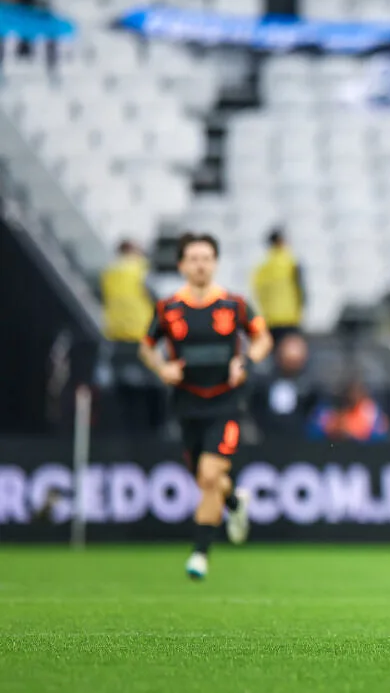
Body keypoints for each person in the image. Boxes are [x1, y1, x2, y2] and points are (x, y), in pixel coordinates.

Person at [139, 232, 273, 580]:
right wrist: (161, 367)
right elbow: (146, 346)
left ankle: (200, 554)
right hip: (187, 404)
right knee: (206, 480)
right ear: (182, 265)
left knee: (211, 475)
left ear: (215, 263)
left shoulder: (234, 304)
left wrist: (245, 362)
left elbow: (262, 338)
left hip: (226, 404)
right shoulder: (168, 308)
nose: (200, 265)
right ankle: (233, 503)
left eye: (206, 258)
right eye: (194, 259)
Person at [100, 239, 162, 432]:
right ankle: (155, 434)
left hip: (116, 340)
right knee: (155, 390)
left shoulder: (109, 274)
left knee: (121, 391)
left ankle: (124, 434)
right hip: (142, 339)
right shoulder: (142, 271)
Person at [251, 228, 304, 347]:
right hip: (290, 319)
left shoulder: (261, 267)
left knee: (274, 357)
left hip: (269, 320)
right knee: (291, 359)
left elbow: (257, 293)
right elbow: (301, 290)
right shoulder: (292, 263)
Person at [308, 378, 389, 443]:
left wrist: (351, 434)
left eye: (356, 393)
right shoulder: (327, 410)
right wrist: (332, 431)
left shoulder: (371, 410)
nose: (352, 397)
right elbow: (312, 433)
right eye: (349, 393)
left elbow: (380, 436)